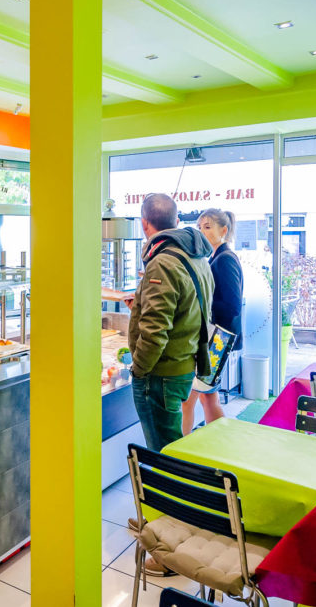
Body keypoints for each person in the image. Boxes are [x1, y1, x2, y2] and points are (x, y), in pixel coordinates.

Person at [126, 193, 214, 452]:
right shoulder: (195, 256)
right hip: (184, 363)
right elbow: (185, 308)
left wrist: (139, 370)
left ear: (144, 224)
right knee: (172, 445)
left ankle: (174, 491)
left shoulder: (162, 262)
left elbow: (155, 331)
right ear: (175, 221)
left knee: (163, 452)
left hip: (160, 374)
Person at [181, 209, 243, 434]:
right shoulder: (216, 257)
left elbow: (233, 306)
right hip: (215, 338)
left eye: (207, 227)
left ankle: (179, 457)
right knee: (208, 399)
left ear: (223, 231)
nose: (202, 232)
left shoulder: (225, 259)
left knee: (188, 401)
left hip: (217, 340)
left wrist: (201, 304)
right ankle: (217, 448)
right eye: (200, 227)